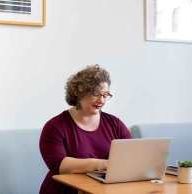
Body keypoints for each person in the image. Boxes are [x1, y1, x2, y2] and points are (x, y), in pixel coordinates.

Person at [39, 64, 132, 194]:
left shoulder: (114, 124)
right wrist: (106, 164)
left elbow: (132, 157)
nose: (101, 100)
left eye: (105, 95)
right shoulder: (54, 126)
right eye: (96, 94)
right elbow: (59, 165)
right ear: (78, 92)